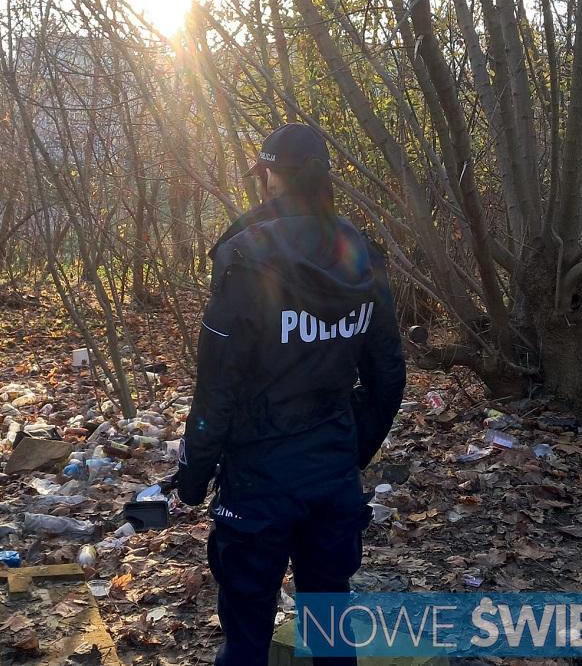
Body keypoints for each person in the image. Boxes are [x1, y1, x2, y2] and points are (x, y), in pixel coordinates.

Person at [173, 122, 407, 666]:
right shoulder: (360, 253)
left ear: (272, 177)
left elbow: (217, 391)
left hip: (257, 482)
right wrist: (349, 451)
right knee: (329, 629)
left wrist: (192, 476)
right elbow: (388, 375)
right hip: (331, 475)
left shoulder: (245, 258)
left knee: (246, 638)